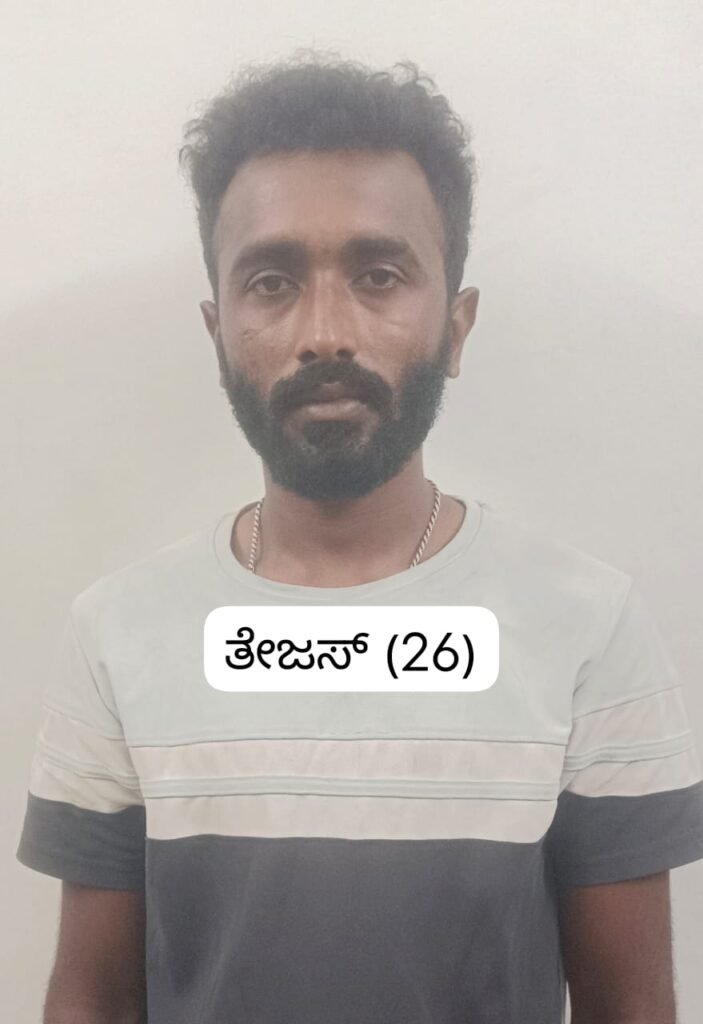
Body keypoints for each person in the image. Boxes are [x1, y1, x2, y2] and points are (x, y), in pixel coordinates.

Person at [16, 50, 703, 1024]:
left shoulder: (587, 627)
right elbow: (91, 996)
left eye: (378, 275)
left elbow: (628, 1005)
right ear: (217, 331)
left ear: (455, 327)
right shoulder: (118, 635)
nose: (325, 331)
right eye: (270, 281)